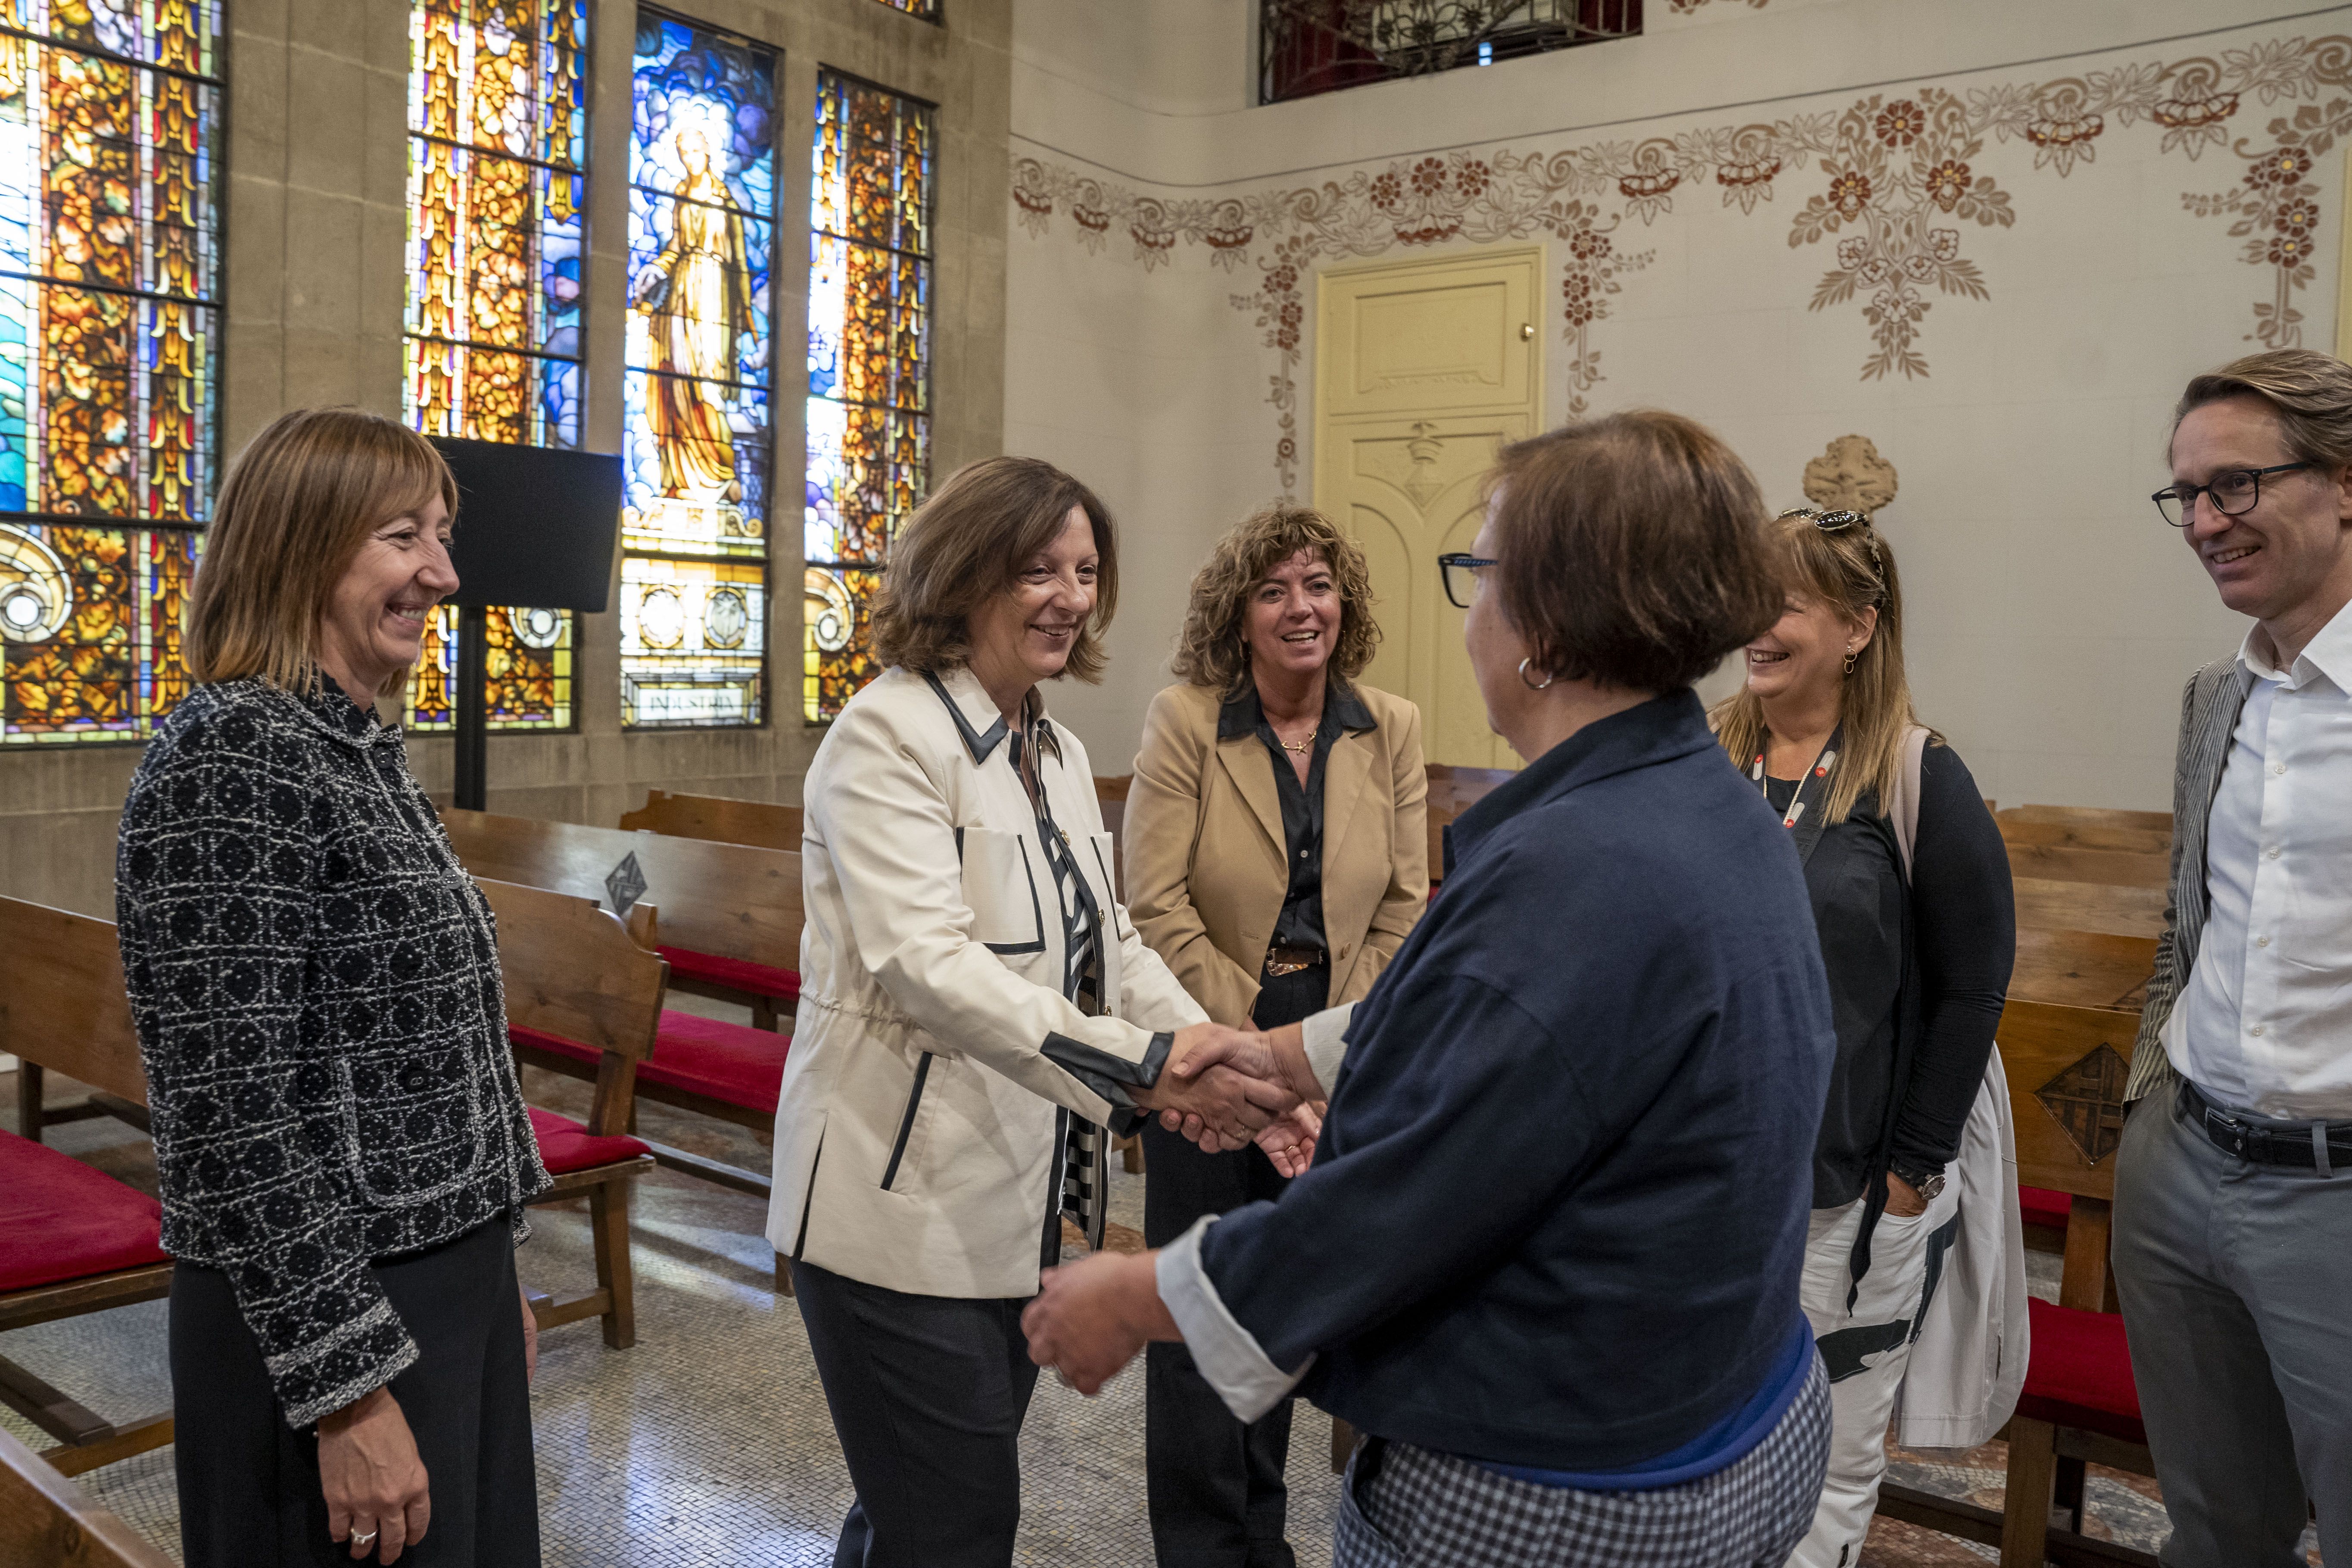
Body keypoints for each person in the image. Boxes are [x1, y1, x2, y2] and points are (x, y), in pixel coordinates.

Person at [1022, 411, 1839, 1568]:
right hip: (1734, 1405)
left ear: (1544, 630)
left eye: (1482, 574)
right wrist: (1291, 1055)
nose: (1471, 618)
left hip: (1570, 1488)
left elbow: (1398, 1205)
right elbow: (1525, 1025)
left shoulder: (1577, 863)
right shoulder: (1695, 795)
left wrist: (1133, 1292)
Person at [763, 455, 1301, 1568]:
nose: (1067, 596)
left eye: (1085, 570)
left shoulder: (1051, 749)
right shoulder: (886, 736)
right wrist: (1146, 1068)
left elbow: (1111, 942)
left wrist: (1223, 1059)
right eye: (1035, 570)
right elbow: (929, 968)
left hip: (1007, 1210)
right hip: (891, 1212)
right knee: (954, 1524)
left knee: (915, 1513)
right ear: (960, 575)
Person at [115, 408, 549, 1567]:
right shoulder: (234, 755)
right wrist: (348, 1389)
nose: (441, 575)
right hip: (327, 1312)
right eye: (402, 536)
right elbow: (232, 1115)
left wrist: (489, 1268)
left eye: (442, 537)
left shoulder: (348, 741)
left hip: (434, 1287)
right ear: (303, 546)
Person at [1124, 505, 1429, 1568]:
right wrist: (1254, 1055)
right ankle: (1208, 1548)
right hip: (1207, 1046)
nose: (1302, 608)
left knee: (1294, 1301)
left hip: (1346, 1048)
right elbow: (1156, 904)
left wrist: (1327, 1055)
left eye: (1318, 585)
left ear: (1344, 602)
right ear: (1238, 615)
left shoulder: (1388, 723)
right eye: (1274, 589)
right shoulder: (1187, 719)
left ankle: (1270, 1534)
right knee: (1204, 1308)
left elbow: (1405, 903)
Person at [1708, 507, 2014, 1563]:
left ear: (1858, 627)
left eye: (1783, 602)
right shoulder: (1704, 757)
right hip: (1707, 1177)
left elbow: (1974, 989)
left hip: (1847, 1188)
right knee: (1706, 1444)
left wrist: (1913, 1174)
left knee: (1828, 1461)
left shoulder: (1918, 774)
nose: (1754, 622)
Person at [2116, 348, 2352, 1568]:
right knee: (2213, 1530)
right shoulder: (2220, 696)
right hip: (2183, 1169)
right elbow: (2187, 921)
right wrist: (2149, 1103)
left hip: (2338, 1191)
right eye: (2187, 496)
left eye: (2235, 487)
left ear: (2344, 480)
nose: (2203, 523)